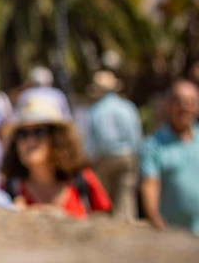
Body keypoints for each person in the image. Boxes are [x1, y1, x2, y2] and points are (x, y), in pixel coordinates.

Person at [0, 95, 111, 217]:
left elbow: (105, 222)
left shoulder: (82, 180)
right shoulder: (7, 191)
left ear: (57, 138)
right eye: (23, 134)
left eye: (39, 132)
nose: (30, 140)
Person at [139, 80, 199, 233]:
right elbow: (150, 183)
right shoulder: (153, 144)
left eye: (190, 102)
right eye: (179, 102)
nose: (185, 107)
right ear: (168, 105)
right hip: (173, 235)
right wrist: (153, 217)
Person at [83, 70, 143, 220]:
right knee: (125, 196)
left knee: (104, 199)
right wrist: (137, 155)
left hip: (103, 158)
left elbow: (90, 141)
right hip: (126, 155)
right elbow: (134, 134)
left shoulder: (94, 111)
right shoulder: (126, 107)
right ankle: (127, 226)